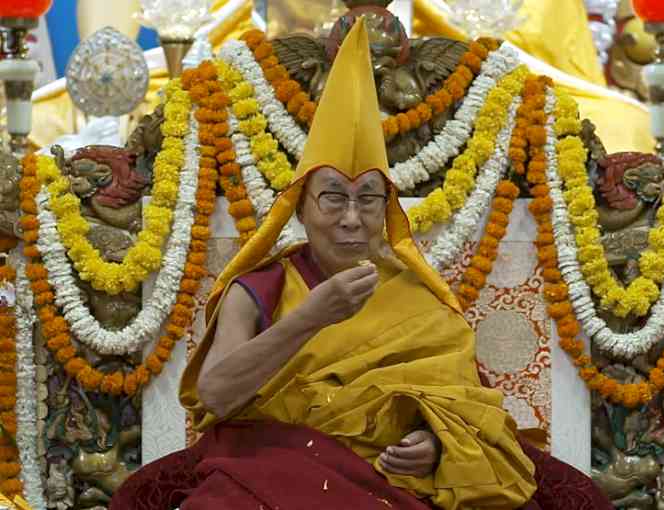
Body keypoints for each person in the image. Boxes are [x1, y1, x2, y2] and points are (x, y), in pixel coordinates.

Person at [112, 17, 612, 510]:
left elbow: (471, 412)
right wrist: (311, 316)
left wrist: (436, 444)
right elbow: (216, 396)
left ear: (387, 212)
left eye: (368, 199)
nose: (352, 217)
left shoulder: (420, 298)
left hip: (393, 484)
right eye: (333, 198)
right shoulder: (258, 288)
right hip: (272, 469)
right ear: (300, 207)